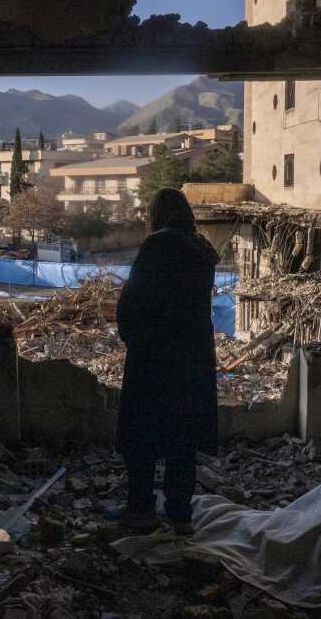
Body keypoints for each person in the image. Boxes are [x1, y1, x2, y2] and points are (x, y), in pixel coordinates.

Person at [110, 187, 220, 535]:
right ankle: (180, 513)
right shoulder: (202, 251)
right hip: (193, 361)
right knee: (182, 439)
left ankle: (141, 508)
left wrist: (132, 335)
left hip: (154, 358)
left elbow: (134, 298)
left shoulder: (158, 246)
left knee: (142, 435)